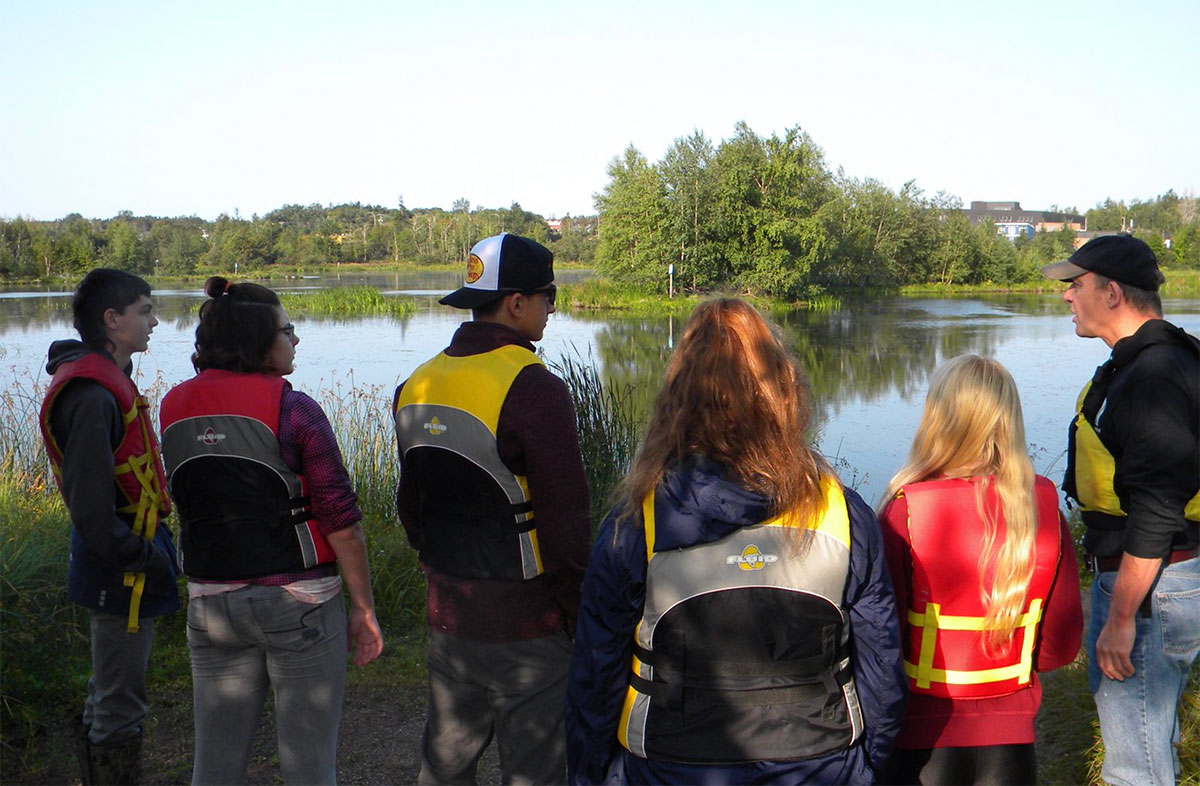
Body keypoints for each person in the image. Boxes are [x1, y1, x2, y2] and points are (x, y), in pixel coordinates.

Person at [564, 298, 905, 785]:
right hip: (822, 767)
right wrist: (870, 765)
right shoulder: (844, 515)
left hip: (665, 768)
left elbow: (596, 677)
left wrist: (589, 774)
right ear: (783, 391)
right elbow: (882, 670)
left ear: (677, 399)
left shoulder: (637, 523)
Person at [159, 277, 383, 785]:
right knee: (308, 767)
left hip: (210, 603)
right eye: (288, 329)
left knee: (213, 766)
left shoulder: (172, 406)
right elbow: (341, 522)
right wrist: (364, 610)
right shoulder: (293, 408)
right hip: (299, 603)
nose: (296, 339)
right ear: (258, 341)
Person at [393, 232, 591, 784]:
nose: (554, 307)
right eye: (549, 295)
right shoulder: (535, 389)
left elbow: (412, 509)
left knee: (445, 767)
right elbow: (567, 529)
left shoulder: (416, 384)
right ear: (517, 303)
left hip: (450, 615)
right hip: (529, 627)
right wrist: (578, 619)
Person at [877, 355, 1083, 784]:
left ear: (937, 419)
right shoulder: (1043, 511)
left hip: (922, 742)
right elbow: (1058, 650)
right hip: (1010, 746)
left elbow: (880, 644)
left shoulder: (905, 513)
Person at [1042, 233, 1200, 786]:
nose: (1066, 296)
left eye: (1075, 285)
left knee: (1136, 766)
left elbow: (1157, 510)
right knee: (1155, 741)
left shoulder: (1152, 376)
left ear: (1112, 292)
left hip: (1153, 586)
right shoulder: (1153, 361)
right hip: (1172, 578)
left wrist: (1120, 619)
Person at [38, 268, 180, 785]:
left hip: (125, 558)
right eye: (145, 311)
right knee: (121, 698)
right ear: (112, 320)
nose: (155, 322)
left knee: (112, 689)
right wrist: (143, 557)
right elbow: (92, 508)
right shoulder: (92, 396)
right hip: (121, 567)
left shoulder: (103, 381)